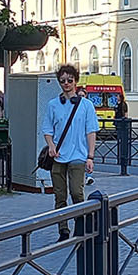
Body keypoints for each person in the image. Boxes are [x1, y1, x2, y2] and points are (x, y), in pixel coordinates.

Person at [41, 64, 100, 241]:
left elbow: (91, 132)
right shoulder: (53, 105)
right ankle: (63, 230)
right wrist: (51, 145)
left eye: (69, 80)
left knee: (76, 193)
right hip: (58, 156)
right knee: (60, 196)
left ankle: (80, 226)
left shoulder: (86, 105)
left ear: (76, 81)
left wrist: (90, 156)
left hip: (79, 156)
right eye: (62, 81)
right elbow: (47, 129)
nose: (66, 83)